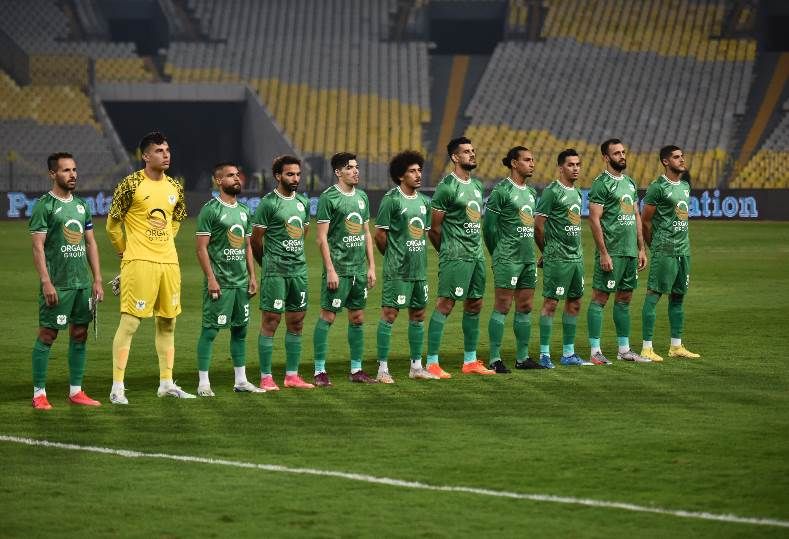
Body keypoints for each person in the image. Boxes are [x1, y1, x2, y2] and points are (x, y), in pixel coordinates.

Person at [105, 131, 194, 403]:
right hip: (139, 262)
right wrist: (126, 255)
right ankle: (117, 387)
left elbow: (176, 220)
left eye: (167, 150)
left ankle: (166, 383)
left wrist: (164, 243)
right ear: (145, 156)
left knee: (168, 322)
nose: (165, 155)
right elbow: (112, 225)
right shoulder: (130, 184)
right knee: (131, 322)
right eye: (159, 151)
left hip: (169, 263)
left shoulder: (175, 187)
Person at [29, 153, 104, 409]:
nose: (72, 175)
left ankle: (76, 391)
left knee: (80, 334)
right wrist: (46, 282)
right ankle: (39, 394)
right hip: (58, 284)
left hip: (82, 283)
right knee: (48, 334)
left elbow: (91, 243)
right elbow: (38, 247)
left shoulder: (82, 205)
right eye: (65, 170)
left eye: (74, 169)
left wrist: (97, 280)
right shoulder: (45, 206)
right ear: (53, 174)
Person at [426, 137, 494, 377]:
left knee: (475, 303)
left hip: (476, 255)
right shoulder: (447, 187)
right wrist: (447, 251)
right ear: (455, 157)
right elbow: (434, 229)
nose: (472, 154)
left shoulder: (476, 186)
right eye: (466, 151)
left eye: (473, 150)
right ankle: (432, 363)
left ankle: (470, 361)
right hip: (455, 255)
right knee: (445, 304)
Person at [194, 162, 262, 396]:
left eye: (237, 175)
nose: (236, 179)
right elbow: (201, 249)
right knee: (210, 331)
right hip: (220, 282)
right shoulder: (210, 210)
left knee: (240, 331)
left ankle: (241, 381)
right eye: (230, 175)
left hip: (241, 282)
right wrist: (211, 279)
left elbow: (247, 246)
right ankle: (203, 384)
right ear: (218, 181)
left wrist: (252, 276)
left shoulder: (244, 210)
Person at [312, 152, 377, 385]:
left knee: (357, 317)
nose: (355, 171)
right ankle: (319, 371)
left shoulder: (362, 197)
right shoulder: (328, 198)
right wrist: (330, 269)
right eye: (350, 167)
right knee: (328, 316)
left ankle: (356, 370)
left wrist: (371, 266)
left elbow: (366, 233)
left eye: (356, 167)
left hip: (359, 270)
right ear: (338, 172)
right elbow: (321, 238)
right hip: (338, 269)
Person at [251, 155, 315, 390]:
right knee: (271, 321)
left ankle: (292, 376)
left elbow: (303, 232)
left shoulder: (303, 202)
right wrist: (266, 262)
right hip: (275, 271)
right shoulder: (268, 203)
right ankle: (266, 377)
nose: (295, 178)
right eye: (290, 174)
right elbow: (255, 240)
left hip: (298, 271)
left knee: (297, 322)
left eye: (298, 174)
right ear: (278, 176)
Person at [373, 150, 437, 383]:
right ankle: (382, 370)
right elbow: (380, 235)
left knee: (418, 314)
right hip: (397, 270)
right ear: (401, 176)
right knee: (389, 315)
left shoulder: (425, 202)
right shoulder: (391, 200)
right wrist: (393, 257)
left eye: (419, 170)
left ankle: (416, 367)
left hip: (419, 269)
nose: (418, 175)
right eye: (412, 171)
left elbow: (423, 236)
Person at [586, 139, 650, 364]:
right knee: (600, 298)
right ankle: (595, 351)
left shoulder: (630, 183)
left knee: (624, 299)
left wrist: (641, 248)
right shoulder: (601, 184)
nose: (622, 156)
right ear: (606, 157)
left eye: (623, 152)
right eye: (616, 153)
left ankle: (624, 350)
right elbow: (594, 219)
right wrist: (603, 253)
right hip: (611, 252)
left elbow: (636, 216)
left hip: (630, 252)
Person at [482, 146, 545, 372]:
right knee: (503, 306)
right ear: (514, 163)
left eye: (533, 160)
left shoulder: (531, 192)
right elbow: (489, 228)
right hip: (507, 258)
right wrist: (498, 254)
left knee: (526, 306)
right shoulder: (501, 191)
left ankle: (522, 358)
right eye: (527, 160)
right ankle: (494, 359)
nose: (532, 164)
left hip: (528, 258)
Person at [640, 145, 701, 361]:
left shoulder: (684, 186)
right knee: (653, 295)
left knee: (678, 297)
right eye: (676, 157)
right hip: (664, 249)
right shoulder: (657, 187)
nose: (682, 160)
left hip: (683, 250)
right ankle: (646, 348)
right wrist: (654, 246)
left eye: (682, 156)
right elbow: (645, 221)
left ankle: (676, 346)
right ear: (666, 162)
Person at [534, 149, 589, 367]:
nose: (575, 168)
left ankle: (568, 354)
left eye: (578, 164)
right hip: (557, 258)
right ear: (560, 168)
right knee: (551, 303)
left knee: (575, 303)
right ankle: (544, 355)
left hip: (576, 258)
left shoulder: (577, 193)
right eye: (570, 165)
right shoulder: (552, 192)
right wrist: (547, 251)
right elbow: (538, 226)